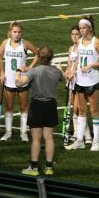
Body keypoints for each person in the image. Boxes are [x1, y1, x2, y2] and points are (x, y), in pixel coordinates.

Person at [16, 46, 65, 176]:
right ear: (51, 58)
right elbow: (63, 78)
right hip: (51, 105)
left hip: (37, 105)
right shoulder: (56, 71)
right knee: (49, 137)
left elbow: (19, 83)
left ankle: (34, 167)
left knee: (36, 138)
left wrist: (18, 72)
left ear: (39, 58)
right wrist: (60, 68)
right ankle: (49, 167)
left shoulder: (34, 71)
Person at [66, 16, 99, 152]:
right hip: (79, 81)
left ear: (89, 28)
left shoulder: (96, 42)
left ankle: (96, 142)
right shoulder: (78, 42)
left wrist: (91, 65)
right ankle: (80, 140)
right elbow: (76, 60)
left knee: (94, 111)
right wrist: (72, 71)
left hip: (93, 80)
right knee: (81, 111)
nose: (82, 30)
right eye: (80, 28)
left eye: (84, 28)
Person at [0, 21, 39, 142]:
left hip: (22, 80)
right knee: (9, 106)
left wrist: (30, 66)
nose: (17, 34)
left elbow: (38, 53)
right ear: (10, 32)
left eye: (19, 32)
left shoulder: (25, 44)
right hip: (9, 80)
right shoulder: (6, 43)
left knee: (23, 106)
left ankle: (23, 132)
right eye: (14, 32)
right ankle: (8, 132)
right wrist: (1, 72)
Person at [64, 25, 91, 146]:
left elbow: (80, 63)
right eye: (72, 34)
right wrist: (66, 71)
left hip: (80, 79)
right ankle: (77, 133)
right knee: (74, 108)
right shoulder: (71, 48)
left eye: (77, 34)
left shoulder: (82, 47)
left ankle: (87, 135)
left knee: (79, 108)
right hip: (71, 80)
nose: (74, 36)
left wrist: (73, 72)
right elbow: (69, 64)